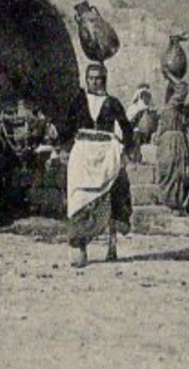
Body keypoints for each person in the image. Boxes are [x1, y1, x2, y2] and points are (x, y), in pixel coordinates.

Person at [59, 62, 135, 268]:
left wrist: (127, 150)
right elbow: (67, 126)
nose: (94, 82)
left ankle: (112, 242)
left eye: (98, 78)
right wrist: (62, 146)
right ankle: (79, 244)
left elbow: (127, 128)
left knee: (112, 191)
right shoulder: (78, 101)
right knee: (78, 198)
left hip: (105, 153)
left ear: (104, 80)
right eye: (90, 78)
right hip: (82, 152)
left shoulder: (113, 103)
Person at [154, 80, 189, 212]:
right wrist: (173, 76)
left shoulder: (177, 109)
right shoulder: (170, 106)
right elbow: (182, 90)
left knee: (181, 172)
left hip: (177, 140)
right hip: (170, 141)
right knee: (170, 170)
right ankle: (169, 202)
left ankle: (177, 203)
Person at [124, 83, 155, 163]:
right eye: (145, 96)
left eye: (148, 96)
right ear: (141, 96)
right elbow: (128, 124)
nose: (147, 99)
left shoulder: (150, 110)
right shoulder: (133, 108)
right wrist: (139, 114)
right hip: (135, 135)